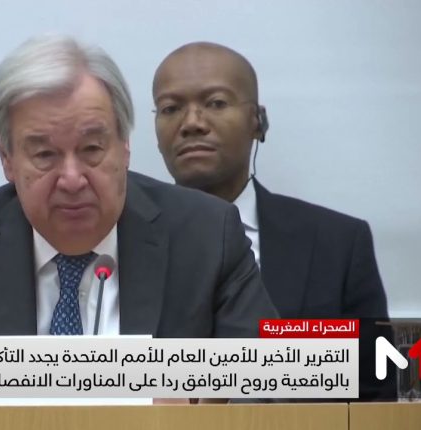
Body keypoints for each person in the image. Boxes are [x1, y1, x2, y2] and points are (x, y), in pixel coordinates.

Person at [0, 35, 276, 342]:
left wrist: (185, 385)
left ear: (124, 145)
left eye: (92, 149)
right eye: (45, 155)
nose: (73, 179)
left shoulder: (207, 236)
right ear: (6, 158)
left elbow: (274, 382)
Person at [152, 42, 393, 399]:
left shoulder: (337, 243)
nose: (192, 123)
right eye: (171, 108)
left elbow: (373, 389)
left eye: (216, 103)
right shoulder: (121, 242)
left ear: (257, 120)